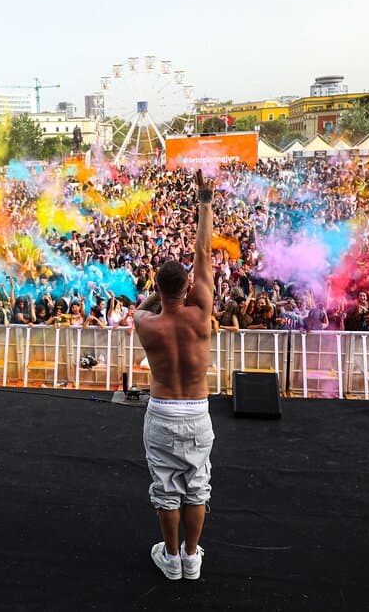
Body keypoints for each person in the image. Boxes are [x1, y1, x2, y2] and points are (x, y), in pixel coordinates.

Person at [133, 170, 215, 581]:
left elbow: (143, 308)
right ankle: (191, 557)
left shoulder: (145, 323)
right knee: (196, 488)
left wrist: (161, 291)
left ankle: (170, 558)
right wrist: (204, 201)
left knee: (166, 490)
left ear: (157, 288)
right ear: (188, 287)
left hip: (163, 412)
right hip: (197, 412)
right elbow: (203, 251)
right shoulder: (201, 316)